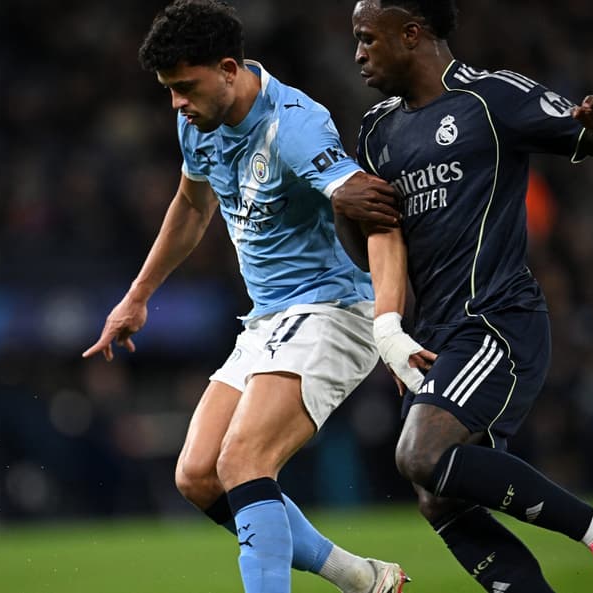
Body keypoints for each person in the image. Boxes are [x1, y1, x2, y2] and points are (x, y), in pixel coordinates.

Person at [82, 2, 408, 592]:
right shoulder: (197, 122)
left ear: (229, 68)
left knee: (242, 464)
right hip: (268, 319)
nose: (176, 104)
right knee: (198, 475)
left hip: (332, 309)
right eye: (168, 91)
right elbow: (191, 204)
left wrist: (389, 324)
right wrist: (137, 297)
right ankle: (360, 578)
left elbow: (373, 207)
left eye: (185, 87)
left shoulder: (296, 124)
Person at [332, 1, 593, 593]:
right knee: (436, 497)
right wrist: (345, 219)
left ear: (411, 34)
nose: (357, 53)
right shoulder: (377, 128)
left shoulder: (494, 98)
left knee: (418, 456)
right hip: (433, 339)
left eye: (366, 39)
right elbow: (380, 250)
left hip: (496, 321)